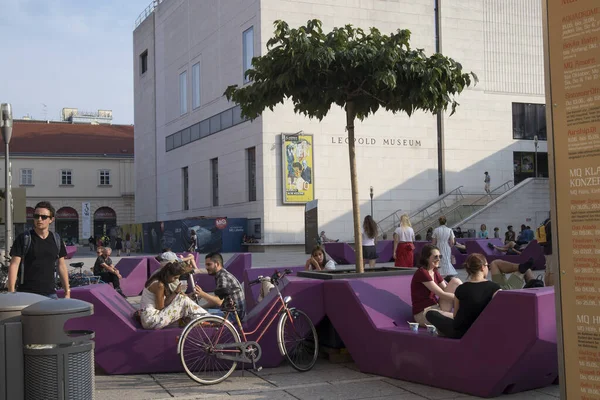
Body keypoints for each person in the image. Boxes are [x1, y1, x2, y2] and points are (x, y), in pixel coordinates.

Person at [426, 253, 501, 338]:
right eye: (487, 265)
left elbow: (455, 316)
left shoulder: (461, 288)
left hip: (460, 332)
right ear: (482, 267)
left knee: (430, 313)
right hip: (482, 330)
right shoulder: (494, 288)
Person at [7, 201, 70, 299]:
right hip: (26, 294)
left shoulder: (56, 239)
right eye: (36, 216)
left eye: (44, 217)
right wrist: (11, 291)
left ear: (51, 219)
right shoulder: (24, 238)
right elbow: (14, 265)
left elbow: (61, 266)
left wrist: (67, 292)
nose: (39, 219)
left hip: (50, 294)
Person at [139, 262, 208, 330]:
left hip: (150, 319)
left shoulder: (158, 280)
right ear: (168, 275)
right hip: (151, 320)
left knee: (182, 300)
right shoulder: (159, 285)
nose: (174, 281)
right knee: (183, 300)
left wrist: (176, 293)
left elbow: (165, 303)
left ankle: (205, 318)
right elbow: (160, 307)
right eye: (175, 278)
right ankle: (207, 317)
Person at [410, 244, 462, 327]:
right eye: (435, 257)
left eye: (439, 256)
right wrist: (463, 297)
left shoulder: (435, 272)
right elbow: (441, 294)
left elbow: (446, 288)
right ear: (427, 258)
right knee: (459, 318)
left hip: (437, 307)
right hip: (424, 313)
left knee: (455, 281)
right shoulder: (422, 273)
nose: (438, 259)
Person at [194, 252, 246, 321]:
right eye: (206, 265)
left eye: (209, 264)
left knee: (197, 317)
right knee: (201, 312)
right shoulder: (221, 274)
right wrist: (200, 308)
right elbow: (216, 301)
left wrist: (202, 294)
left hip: (233, 315)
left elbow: (219, 301)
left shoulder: (222, 277)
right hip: (233, 311)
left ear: (217, 264)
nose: (206, 268)